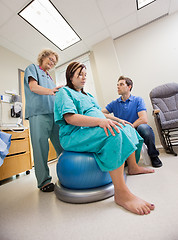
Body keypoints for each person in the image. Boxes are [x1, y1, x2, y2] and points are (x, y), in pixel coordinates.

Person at [54, 62, 155, 215]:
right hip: (75, 133)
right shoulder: (64, 92)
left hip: (92, 128)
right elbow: (70, 118)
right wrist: (101, 122)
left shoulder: (87, 95)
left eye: (85, 75)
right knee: (113, 133)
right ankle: (121, 194)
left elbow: (99, 113)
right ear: (70, 76)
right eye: (80, 74)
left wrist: (119, 120)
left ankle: (133, 167)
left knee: (127, 129)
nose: (83, 78)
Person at [24, 49, 63, 192]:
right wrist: (52, 91)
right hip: (38, 113)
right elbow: (33, 87)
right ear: (43, 57)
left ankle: (67, 172)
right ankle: (44, 181)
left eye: (54, 61)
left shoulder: (50, 77)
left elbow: (52, 94)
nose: (52, 63)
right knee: (41, 148)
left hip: (53, 114)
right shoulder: (32, 68)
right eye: (50, 59)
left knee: (62, 144)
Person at [102, 76, 162, 168]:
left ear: (129, 87)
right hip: (123, 130)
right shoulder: (114, 103)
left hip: (136, 128)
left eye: (121, 84)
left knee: (144, 128)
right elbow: (100, 113)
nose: (118, 87)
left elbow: (143, 119)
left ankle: (154, 156)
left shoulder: (138, 100)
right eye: (117, 85)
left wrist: (131, 127)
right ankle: (125, 160)